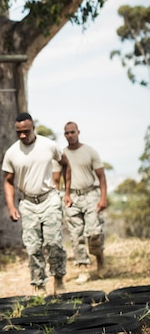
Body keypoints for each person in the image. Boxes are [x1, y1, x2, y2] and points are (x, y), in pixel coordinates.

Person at [2, 112, 71, 295]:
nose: (22, 135)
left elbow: (65, 163)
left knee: (54, 242)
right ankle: (39, 285)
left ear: (33, 128)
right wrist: (11, 206)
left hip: (49, 199)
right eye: (19, 132)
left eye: (26, 131)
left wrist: (66, 192)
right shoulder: (12, 153)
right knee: (33, 247)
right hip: (28, 203)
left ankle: (59, 279)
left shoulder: (49, 145)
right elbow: (8, 181)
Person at [59, 121, 107, 284]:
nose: (70, 135)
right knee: (76, 235)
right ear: (64, 135)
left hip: (90, 194)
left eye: (72, 132)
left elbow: (101, 176)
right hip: (72, 197)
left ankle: (99, 257)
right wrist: (63, 196)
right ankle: (83, 269)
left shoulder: (89, 151)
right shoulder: (61, 154)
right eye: (67, 133)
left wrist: (103, 198)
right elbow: (56, 176)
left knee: (94, 232)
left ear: (78, 132)